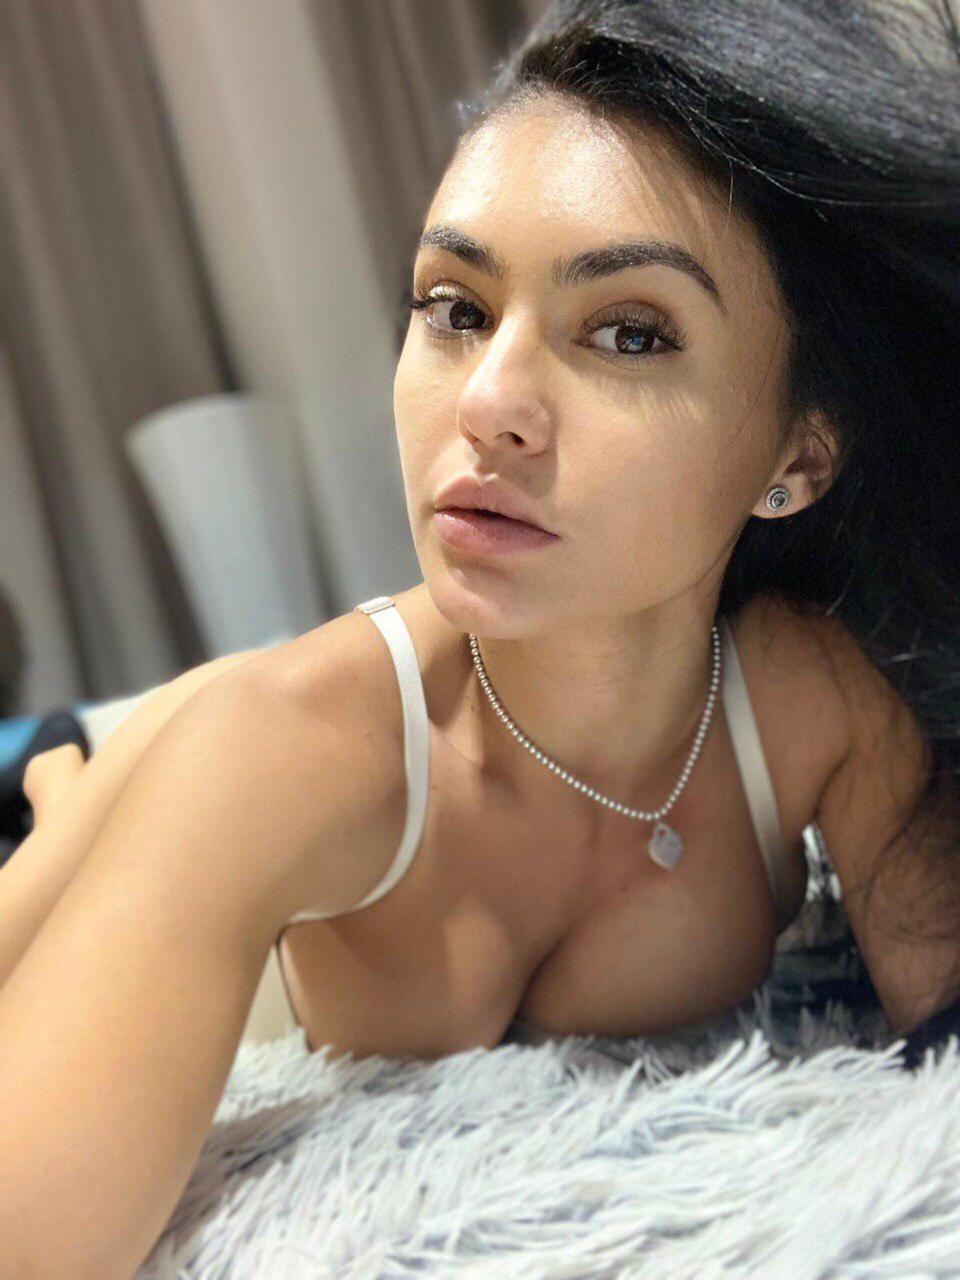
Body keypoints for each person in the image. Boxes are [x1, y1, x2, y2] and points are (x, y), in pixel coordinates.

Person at [1, 0, 959, 1273]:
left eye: (629, 332)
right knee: (74, 820)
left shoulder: (819, 695)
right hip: (173, 746)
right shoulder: (275, 750)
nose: (491, 402)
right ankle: (58, 785)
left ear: (797, 454)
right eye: (454, 307)